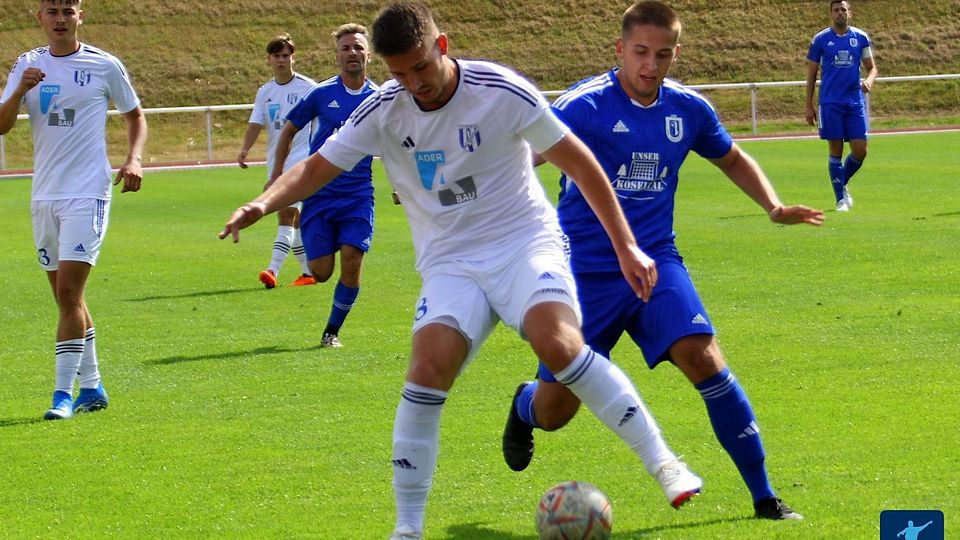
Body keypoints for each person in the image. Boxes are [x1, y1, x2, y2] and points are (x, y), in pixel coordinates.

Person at [220, 3, 703, 538]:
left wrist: (626, 247)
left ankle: (665, 464)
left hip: (523, 243)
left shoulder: (500, 90)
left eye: (420, 67)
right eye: (398, 73)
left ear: (442, 46)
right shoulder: (384, 109)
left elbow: (579, 162)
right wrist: (261, 204)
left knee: (559, 343)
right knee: (427, 369)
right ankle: (407, 528)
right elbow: (315, 167)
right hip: (450, 263)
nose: (412, 83)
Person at [501, 0, 824, 522]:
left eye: (663, 54)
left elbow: (732, 157)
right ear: (620, 50)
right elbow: (523, 156)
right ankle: (524, 403)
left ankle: (765, 498)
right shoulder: (585, 104)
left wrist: (774, 206)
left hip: (656, 264)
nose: (651, 65)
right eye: (641, 52)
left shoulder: (688, 109)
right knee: (557, 412)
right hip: (582, 273)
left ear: (676, 53)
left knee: (704, 356)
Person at [0, 0, 147, 420]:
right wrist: (22, 90)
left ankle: (61, 396)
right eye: (52, 11)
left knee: (68, 293)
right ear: (39, 18)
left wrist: (134, 158)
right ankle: (94, 385)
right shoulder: (26, 64)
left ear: (80, 16)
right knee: (66, 297)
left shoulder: (104, 65)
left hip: (87, 191)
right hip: (44, 194)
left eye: (68, 10)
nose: (61, 19)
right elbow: (2, 124)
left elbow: (135, 115)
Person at [270, 24, 379, 348]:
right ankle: (317, 240)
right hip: (319, 192)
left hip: (358, 194)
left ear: (368, 54)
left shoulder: (379, 98)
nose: (352, 53)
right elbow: (288, 130)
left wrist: (406, 183)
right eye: (346, 48)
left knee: (352, 258)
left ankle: (331, 331)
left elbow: (399, 142)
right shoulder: (321, 94)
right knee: (320, 272)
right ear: (338, 56)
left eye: (358, 47)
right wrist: (277, 174)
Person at [237, 33, 318, 288]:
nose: (282, 60)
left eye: (286, 55)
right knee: (293, 219)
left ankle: (272, 270)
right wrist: (244, 149)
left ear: (293, 57)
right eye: (277, 56)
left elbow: (326, 117)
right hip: (276, 161)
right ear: (269, 60)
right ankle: (307, 273)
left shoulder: (309, 88)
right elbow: (255, 123)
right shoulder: (266, 92)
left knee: (286, 213)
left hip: (301, 159)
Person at [805, 0, 878, 212]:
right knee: (835, 149)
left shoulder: (860, 38)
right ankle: (840, 200)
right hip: (830, 103)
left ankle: (841, 182)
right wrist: (808, 105)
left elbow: (872, 68)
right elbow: (811, 75)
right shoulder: (820, 40)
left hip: (854, 102)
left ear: (850, 13)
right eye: (836, 10)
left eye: (843, 10)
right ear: (831, 14)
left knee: (860, 150)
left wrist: (869, 80)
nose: (840, 13)